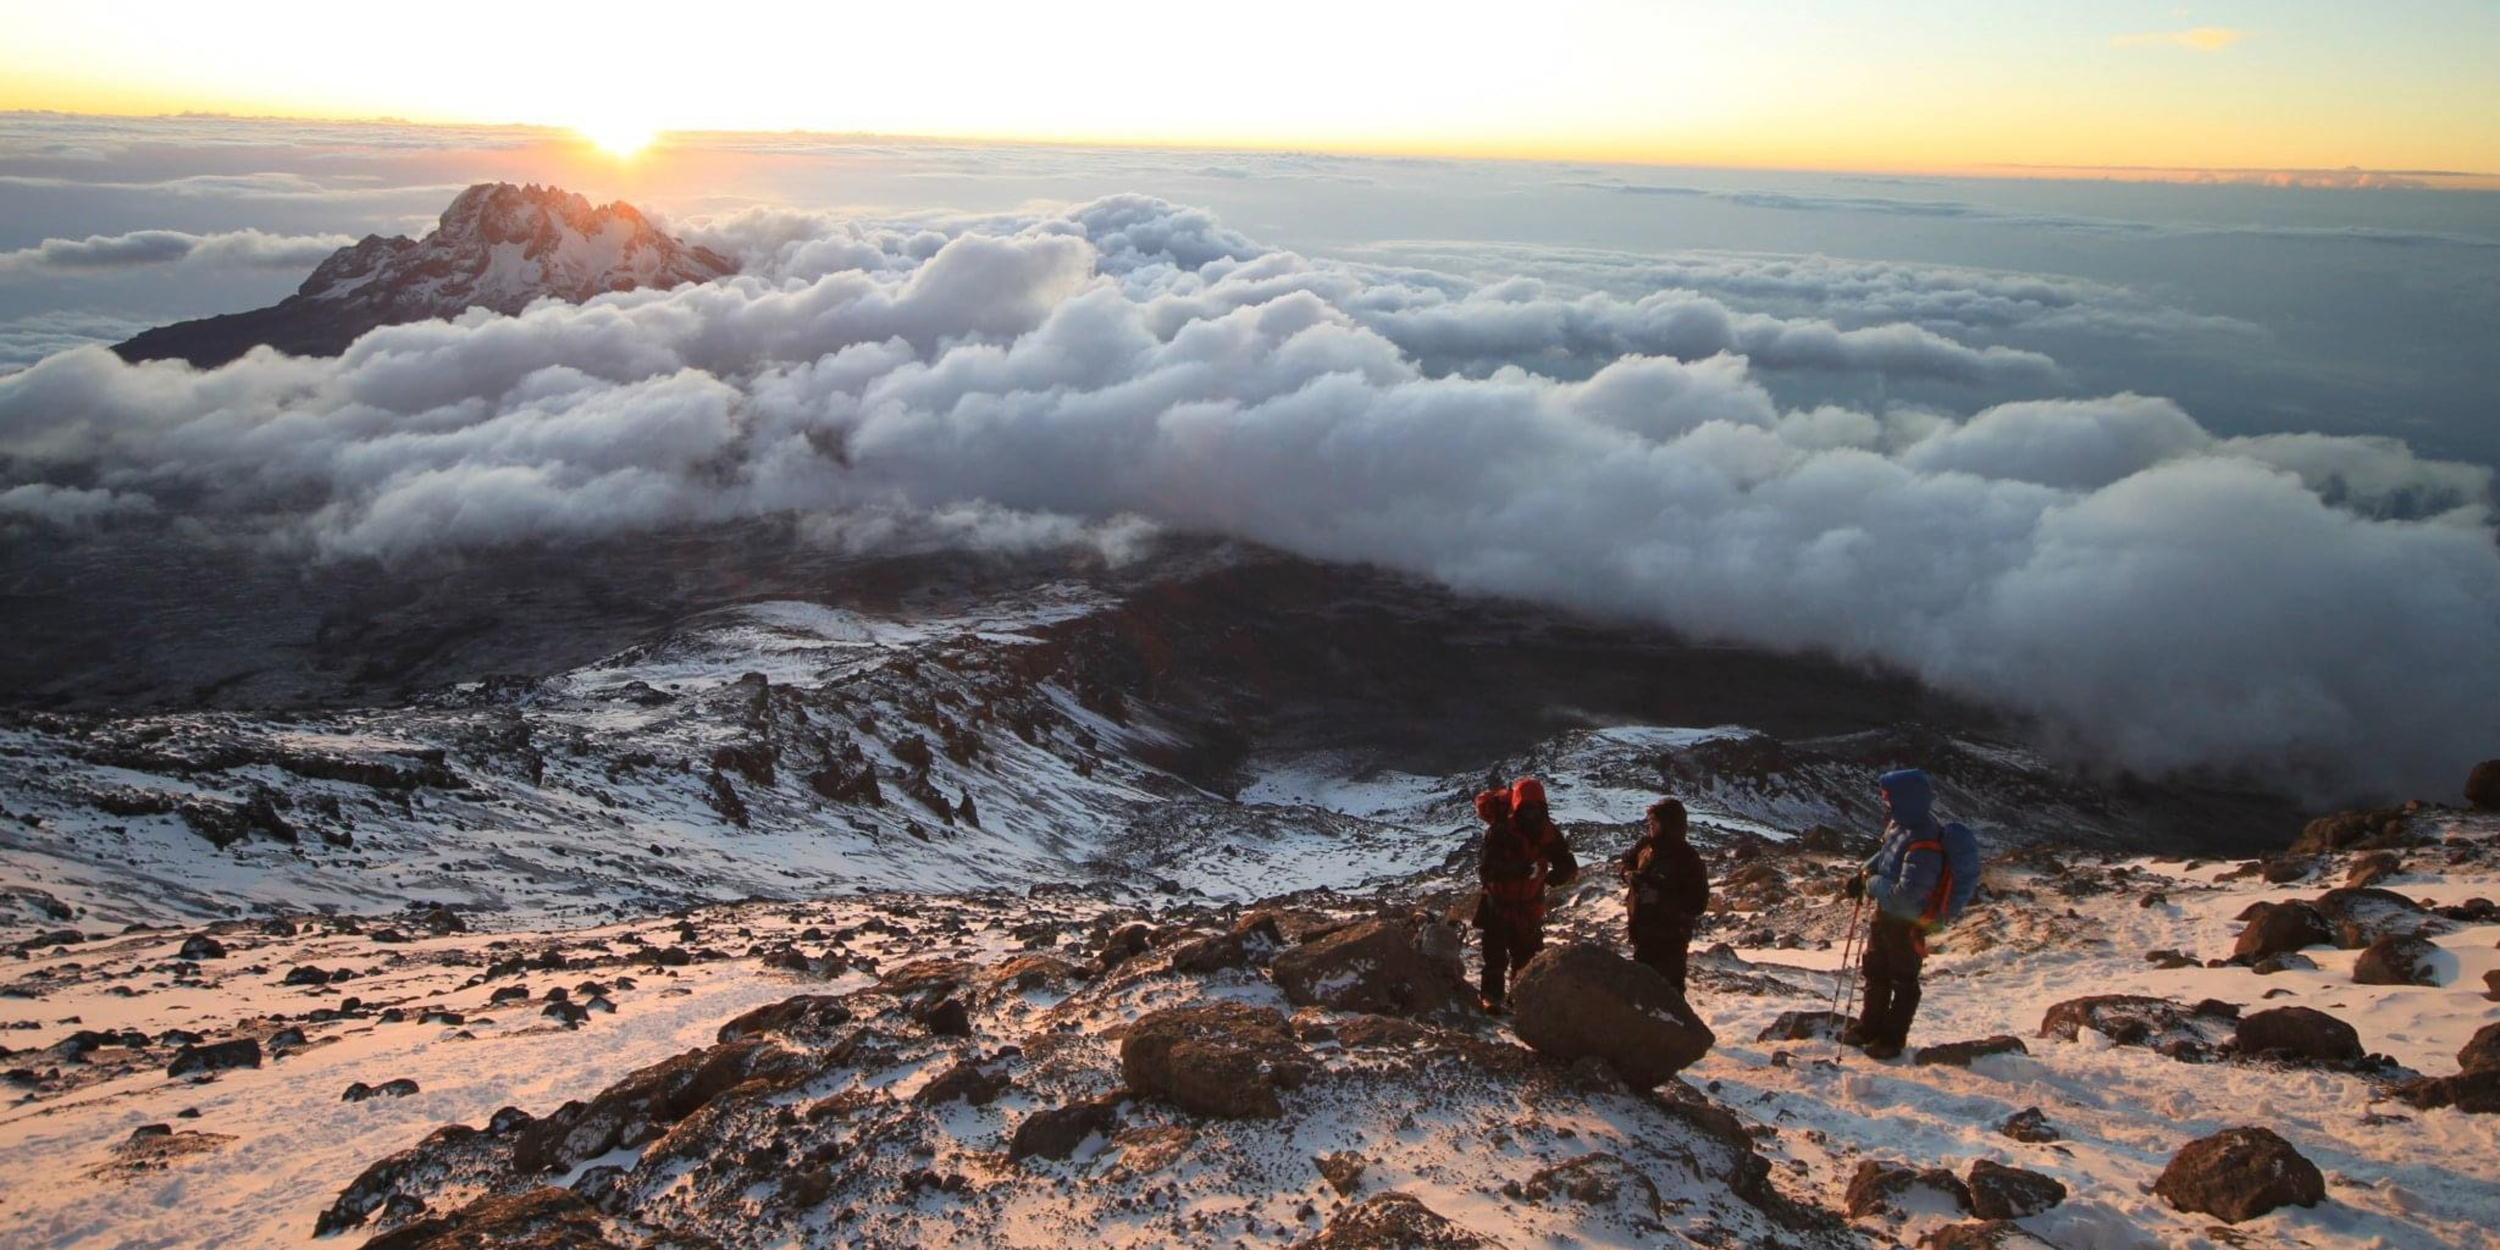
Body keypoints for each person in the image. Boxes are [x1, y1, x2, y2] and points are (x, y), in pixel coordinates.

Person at [1844, 768, 1947, 1060]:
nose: (1885, 803)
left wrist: (1870, 883)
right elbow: (1886, 855)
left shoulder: (1925, 840)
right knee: (1876, 972)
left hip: (1906, 921)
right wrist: (1863, 871)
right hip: (1885, 916)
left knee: (1903, 980)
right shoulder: (1901, 826)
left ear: (1906, 799)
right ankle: (1869, 1027)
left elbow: (1906, 894)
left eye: (1888, 798)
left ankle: (1891, 1039)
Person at [1472, 777, 1578, 1014]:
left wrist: (1555, 877)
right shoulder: (1501, 832)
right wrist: (1525, 872)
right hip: (1500, 902)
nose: (1531, 815)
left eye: (1535, 809)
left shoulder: (1547, 832)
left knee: (1527, 957)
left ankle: (1520, 999)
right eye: (1526, 809)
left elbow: (1567, 863)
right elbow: (1487, 871)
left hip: (1528, 905)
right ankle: (1491, 998)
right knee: (1495, 956)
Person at [1619, 797, 1709, 994]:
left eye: (1655, 822)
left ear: (1669, 824)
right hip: (1642, 936)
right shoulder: (1646, 847)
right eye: (1649, 822)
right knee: (1642, 995)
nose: (1650, 827)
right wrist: (1629, 876)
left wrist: (1661, 897)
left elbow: (1698, 903)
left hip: (1670, 942)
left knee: (1669, 997)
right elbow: (1626, 862)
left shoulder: (1687, 858)